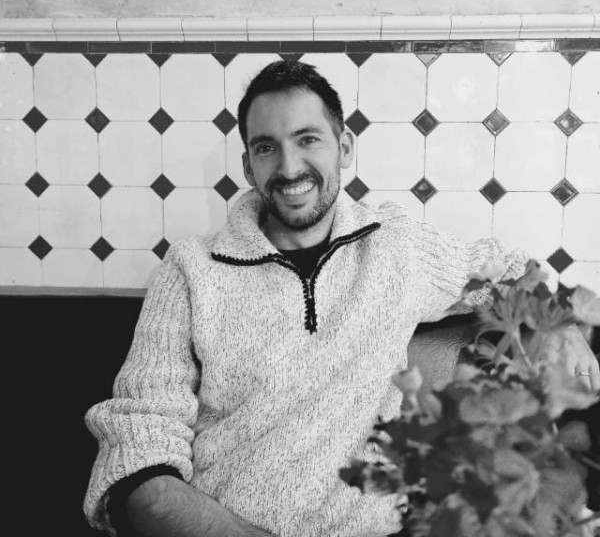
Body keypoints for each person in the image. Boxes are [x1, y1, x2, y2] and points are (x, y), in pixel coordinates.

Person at [83, 60, 599, 537]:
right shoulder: (190, 269)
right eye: (266, 147)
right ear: (247, 165)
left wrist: (561, 326)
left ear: (344, 147)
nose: (289, 168)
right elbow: (138, 448)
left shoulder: (396, 247)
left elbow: (508, 272)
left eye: (307, 139)